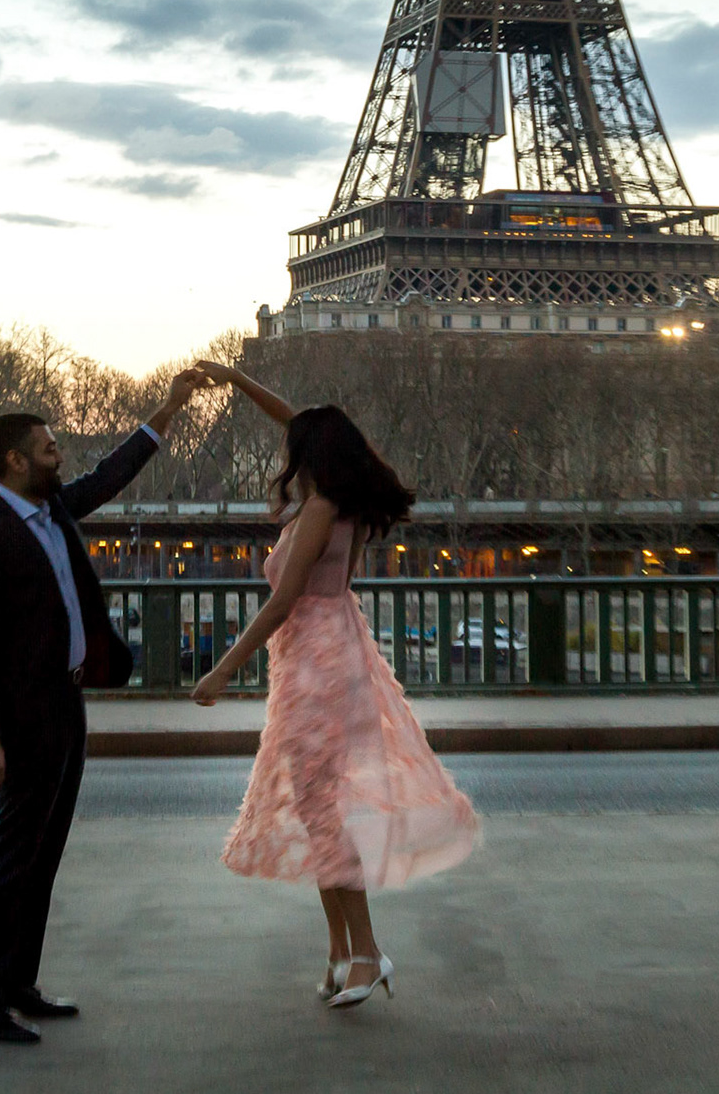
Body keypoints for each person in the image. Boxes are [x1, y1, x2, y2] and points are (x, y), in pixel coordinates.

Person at [189, 360, 480, 1009]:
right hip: (325, 655)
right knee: (321, 810)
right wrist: (237, 381)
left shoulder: (320, 509)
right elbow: (300, 421)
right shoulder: (339, 499)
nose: (284, 446)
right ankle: (340, 951)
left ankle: (367, 953)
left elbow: (281, 601)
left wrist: (222, 668)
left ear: (309, 455)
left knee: (327, 813)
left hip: (316, 664)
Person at [0, 370, 206, 1045]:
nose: (60, 456)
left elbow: (110, 475)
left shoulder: (54, 509)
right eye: (50, 447)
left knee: (43, 853)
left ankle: (16, 985)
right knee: (9, 854)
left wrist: (170, 409)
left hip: (66, 704)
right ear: (15, 460)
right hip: (23, 717)